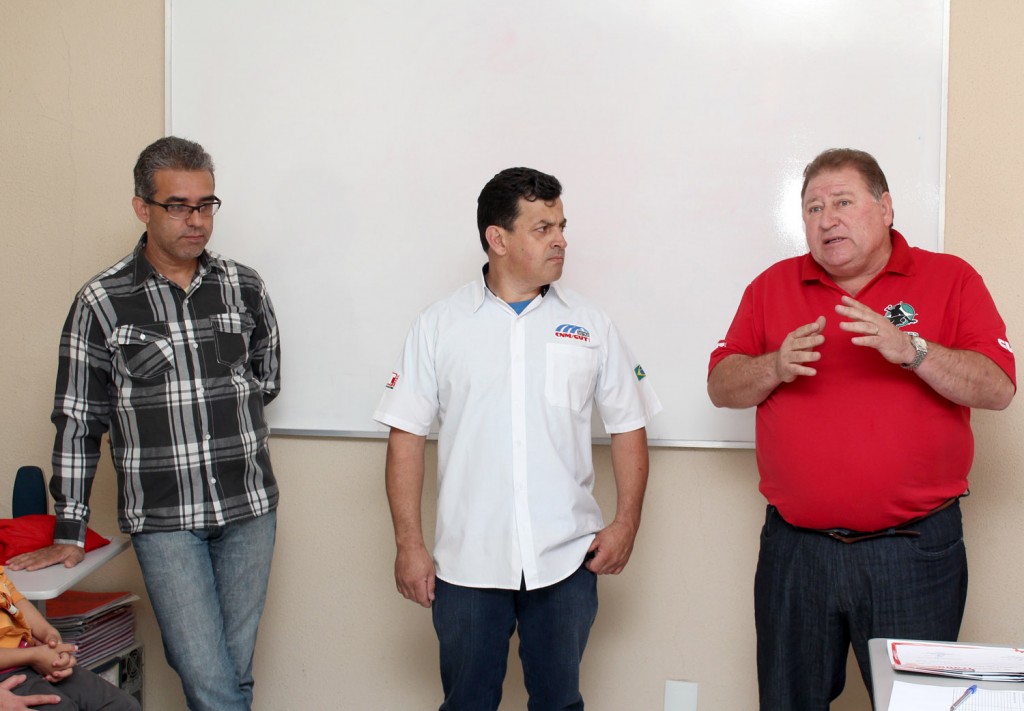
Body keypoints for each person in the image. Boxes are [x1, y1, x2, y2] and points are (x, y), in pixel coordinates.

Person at [707, 148, 1016, 710]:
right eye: (813, 207)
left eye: (843, 202)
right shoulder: (771, 287)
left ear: (887, 206)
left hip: (914, 552)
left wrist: (913, 350)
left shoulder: (950, 278)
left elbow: (997, 387)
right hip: (796, 553)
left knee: (916, 706)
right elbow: (721, 386)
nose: (827, 219)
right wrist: (773, 366)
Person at [6, 137, 281, 711]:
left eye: (206, 204)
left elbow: (265, 379)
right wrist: (69, 531)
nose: (197, 220)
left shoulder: (244, 287)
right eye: (179, 205)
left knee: (232, 672)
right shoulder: (102, 301)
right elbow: (80, 422)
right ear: (142, 208)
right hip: (165, 518)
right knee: (208, 675)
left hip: (248, 508)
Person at [374, 167, 662, 710]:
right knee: (467, 702)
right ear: (497, 238)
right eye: (542, 228)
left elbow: (629, 425)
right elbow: (406, 437)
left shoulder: (591, 324)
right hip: (467, 563)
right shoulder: (439, 325)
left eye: (561, 225)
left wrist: (626, 522)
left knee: (559, 702)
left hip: (565, 560)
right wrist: (409, 545)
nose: (561, 240)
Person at [0, 566, 139, 710]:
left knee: (123, 705)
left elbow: (15, 599)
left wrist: (49, 635)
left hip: (30, 655)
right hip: (10, 669)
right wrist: (34, 655)